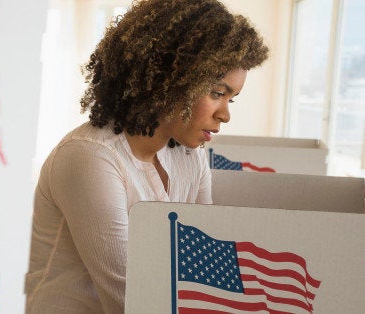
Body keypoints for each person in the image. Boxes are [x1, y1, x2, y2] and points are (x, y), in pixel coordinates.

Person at [25, 0, 269, 312]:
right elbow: (133, 298)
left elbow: (204, 262)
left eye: (231, 99)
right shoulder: (89, 158)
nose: (225, 115)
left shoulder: (189, 154)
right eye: (216, 93)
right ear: (171, 79)